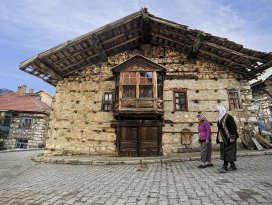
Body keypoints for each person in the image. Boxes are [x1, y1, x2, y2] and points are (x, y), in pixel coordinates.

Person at [216, 105, 239, 173]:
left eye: (218, 111)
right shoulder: (220, 119)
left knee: (228, 152)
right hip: (223, 138)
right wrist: (218, 137)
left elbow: (233, 128)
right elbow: (220, 129)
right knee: (225, 151)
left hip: (229, 138)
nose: (217, 113)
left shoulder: (229, 117)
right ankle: (233, 165)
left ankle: (224, 166)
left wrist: (232, 137)